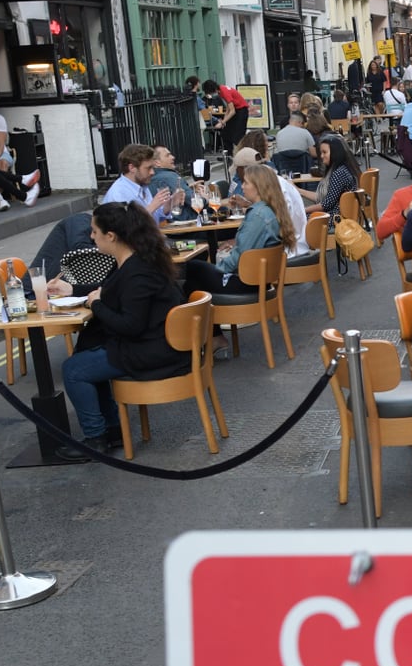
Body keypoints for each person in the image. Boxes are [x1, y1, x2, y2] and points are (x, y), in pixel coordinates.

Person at [55, 201, 188, 457]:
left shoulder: (137, 272)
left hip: (152, 350)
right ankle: (113, 429)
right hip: (156, 343)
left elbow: (130, 326)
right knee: (89, 356)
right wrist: (73, 290)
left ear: (111, 236)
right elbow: (110, 290)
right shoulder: (137, 260)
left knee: (73, 370)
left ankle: (96, 439)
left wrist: (97, 305)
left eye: (94, 231)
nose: (91, 236)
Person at [193, 164, 296, 296]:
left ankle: (197, 313)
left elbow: (241, 256)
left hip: (246, 281)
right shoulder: (270, 210)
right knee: (196, 272)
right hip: (259, 279)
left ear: (259, 187)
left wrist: (217, 268)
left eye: (245, 183)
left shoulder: (258, 215)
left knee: (193, 269)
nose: (242, 187)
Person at [102, 143, 179, 222]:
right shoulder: (119, 194)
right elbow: (126, 227)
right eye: (148, 168)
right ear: (132, 168)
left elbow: (154, 219)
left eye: (152, 167)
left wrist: (169, 204)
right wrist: (152, 206)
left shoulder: (142, 186)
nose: (152, 172)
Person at [301, 134, 358, 217]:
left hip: (334, 218)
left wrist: (303, 210)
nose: (321, 156)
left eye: (324, 152)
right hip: (340, 215)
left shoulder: (339, 174)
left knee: (298, 219)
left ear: (335, 153)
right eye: (321, 152)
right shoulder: (343, 169)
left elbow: (326, 204)